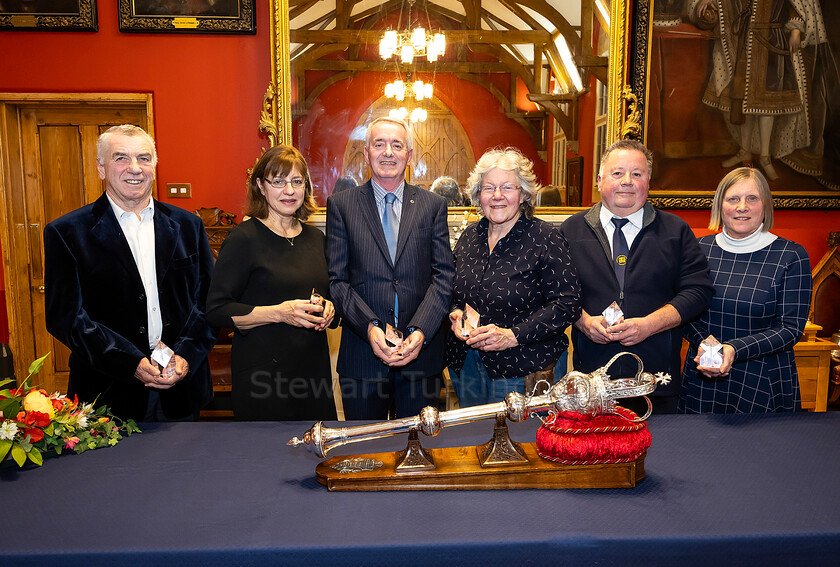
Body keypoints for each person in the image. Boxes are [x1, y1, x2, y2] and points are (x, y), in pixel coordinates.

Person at [44, 124, 217, 422]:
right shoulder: (67, 232)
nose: (134, 168)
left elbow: (210, 302)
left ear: (154, 166)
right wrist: (129, 362)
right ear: (101, 168)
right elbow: (66, 317)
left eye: (144, 158)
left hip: (182, 389)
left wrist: (186, 356)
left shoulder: (189, 225)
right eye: (121, 158)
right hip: (107, 393)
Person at [559, 139, 714, 414]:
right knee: (594, 453)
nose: (627, 181)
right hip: (591, 382)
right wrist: (582, 321)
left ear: (649, 182)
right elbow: (555, 293)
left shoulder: (675, 231)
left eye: (637, 174)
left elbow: (698, 291)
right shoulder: (570, 230)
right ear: (599, 180)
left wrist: (649, 325)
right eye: (617, 173)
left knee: (659, 455)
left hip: (656, 381)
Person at [326, 117, 454, 419]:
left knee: (419, 454)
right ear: (367, 153)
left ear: (409, 155)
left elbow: (443, 276)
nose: (388, 152)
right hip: (362, 357)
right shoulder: (341, 206)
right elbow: (337, 281)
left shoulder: (433, 205)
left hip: (421, 358)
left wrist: (420, 330)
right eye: (379, 144)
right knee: (364, 455)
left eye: (397, 145)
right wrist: (371, 328)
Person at [206, 146, 337, 421]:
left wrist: (330, 309)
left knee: (317, 457)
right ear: (260, 187)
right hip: (262, 376)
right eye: (278, 182)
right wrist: (279, 313)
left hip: (312, 372)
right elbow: (217, 309)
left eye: (296, 181)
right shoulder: (243, 238)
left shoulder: (316, 239)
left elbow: (330, 296)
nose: (289, 190)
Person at [445, 148, 581, 406]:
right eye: (489, 188)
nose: (497, 196)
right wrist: (454, 313)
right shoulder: (469, 237)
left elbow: (568, 304)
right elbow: (452, 291)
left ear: (523, 195)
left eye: (507, 187)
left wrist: (512, 335)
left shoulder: (545, 239)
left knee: (522, 444)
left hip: (522, 367)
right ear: (478, 194)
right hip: (466, 365)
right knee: (472, 440)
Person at [680, 167, 811, 412]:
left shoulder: (791, 255)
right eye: (733, 199)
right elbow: (683, 312)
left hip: (762, 378)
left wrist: (733, 350)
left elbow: (790, 329)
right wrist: (707, 345)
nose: (742, 207)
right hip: (704, 373)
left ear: (765, 205)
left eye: (752, 198)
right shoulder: (698, 249)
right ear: (720, 205)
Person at [691, 0, 827, 180]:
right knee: (742, 102)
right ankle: (744, 151)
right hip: (744, 44)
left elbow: (794, 7)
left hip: (773, 46)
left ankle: (765, 158)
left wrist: (795, 31)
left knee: (766, 106)